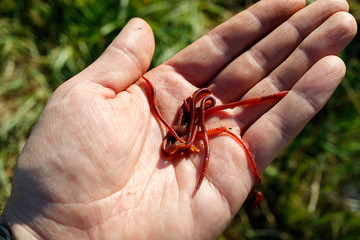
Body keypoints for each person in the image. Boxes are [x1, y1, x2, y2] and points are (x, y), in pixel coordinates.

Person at [0, 0, 357, 239]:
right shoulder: (185, 133)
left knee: (256, 107)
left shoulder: (193, 126)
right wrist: (40, 228)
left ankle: (278, 96)